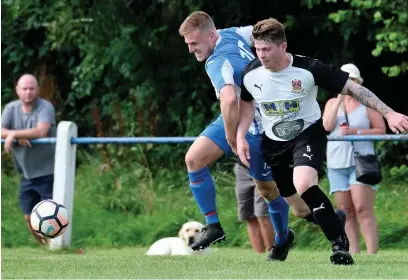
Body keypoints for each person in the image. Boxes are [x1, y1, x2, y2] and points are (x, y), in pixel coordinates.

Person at [236, 18, 408, 265]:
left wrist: (389, 113)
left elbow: (355, 89)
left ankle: (340, 245)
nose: (260, 55)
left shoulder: (309, 68)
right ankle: (330, 220)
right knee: (301, 210)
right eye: (257, 49)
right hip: (273, 143)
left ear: (283, 47)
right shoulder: (251, 73)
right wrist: (241, 136)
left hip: (307, 134)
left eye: (266, 49)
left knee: (304, 182)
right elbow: (246, 104)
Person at [179, 11, 312, 261]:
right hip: (235, 117)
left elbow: (228, 99)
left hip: (258, 124)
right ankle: (214, 226)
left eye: (194, 43)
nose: (191, 49)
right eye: (188, 44)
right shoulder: (233, 33)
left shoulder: (218, 62)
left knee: (268, 191)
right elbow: (268, 29)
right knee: (194, 160)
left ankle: (283, 240)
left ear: (211, 35)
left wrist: (232, 138)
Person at [323, 63, 385, 254]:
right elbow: (326, 126)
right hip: (336, 162)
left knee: (362, 209)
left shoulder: (368, 104)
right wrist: (340, 101)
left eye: (352, 80)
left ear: (358, 83)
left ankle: (372, 253)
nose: (348, 84)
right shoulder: (332, 103)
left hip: (361, 163)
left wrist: (356, 131)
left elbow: (381, 131)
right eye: (345, 80)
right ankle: (353, 252)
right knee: (345, 211)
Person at [1, 74, 57, 246]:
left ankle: (54, 246)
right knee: (28, 217)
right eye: (24, 88)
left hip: (48, 171)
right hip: (26, 173)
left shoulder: (45, 107)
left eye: (32, 88)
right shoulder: (11, 108)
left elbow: (41, 131)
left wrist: (14, 134)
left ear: (38, 90)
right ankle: (46, 247)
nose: (28, 92)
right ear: (17, 90)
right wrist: (15, 136)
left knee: (47, 216)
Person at [234, 159, 274, 253]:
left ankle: (273, 254)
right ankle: (258, 255)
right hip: (242, 168)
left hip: (264, 167)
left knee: (262, 214)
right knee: (249, 215)